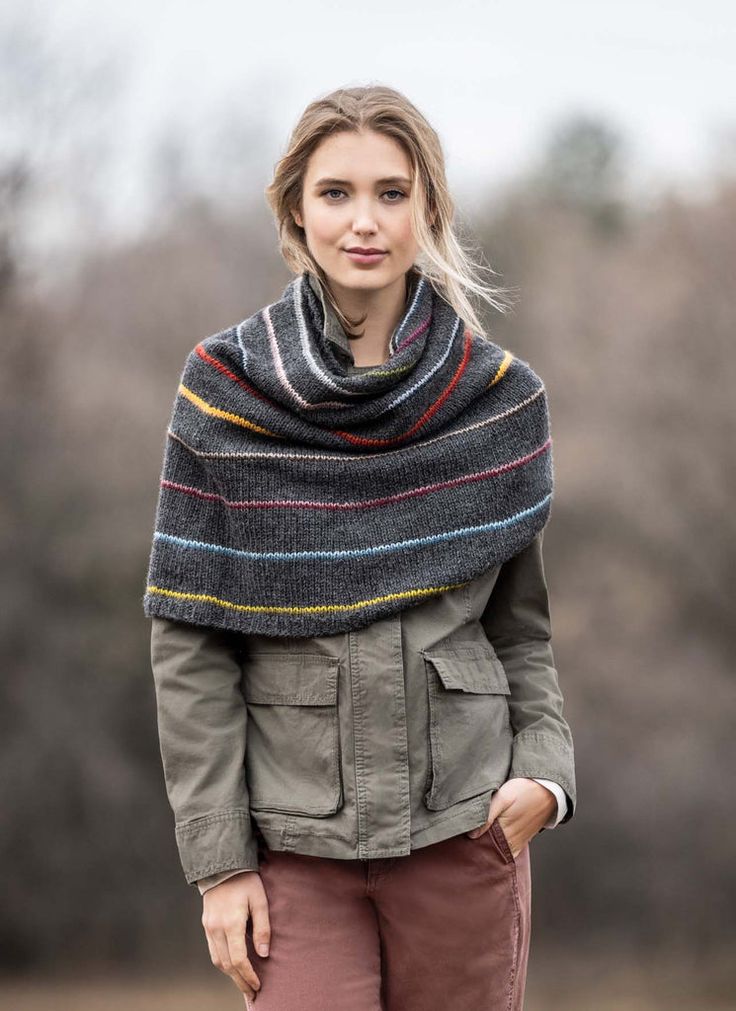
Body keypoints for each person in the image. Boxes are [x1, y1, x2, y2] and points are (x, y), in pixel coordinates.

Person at [143, 84, 577, 1010]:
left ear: (429, 208)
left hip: (467, 837)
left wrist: (546, 773)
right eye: (336, 192)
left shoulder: (497, 400)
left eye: (392, 191)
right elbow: (190, 641)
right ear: (296, 209)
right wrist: (219, 865)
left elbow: (523, 630)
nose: (364, 221)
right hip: (294, 852)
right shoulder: (226, 392)